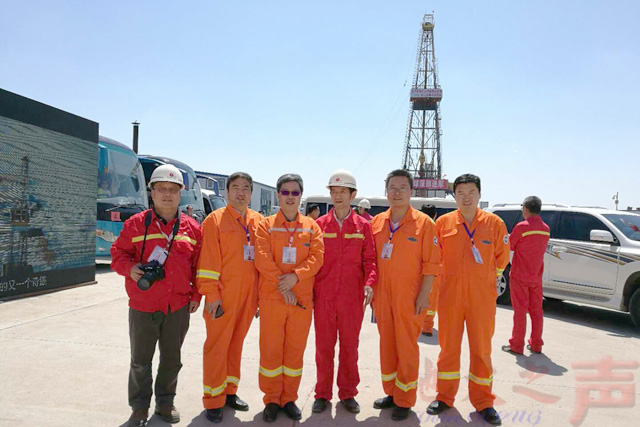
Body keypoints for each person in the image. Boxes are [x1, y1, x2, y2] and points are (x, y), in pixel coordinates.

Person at [111, 164, 202, 427]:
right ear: (152, 192)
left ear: (180, 193)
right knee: (140, 361)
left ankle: (165, 403)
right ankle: (139, 408)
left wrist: (196, 295)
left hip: (178, 305)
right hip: (144, 305)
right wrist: (130, 269)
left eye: (173, 189)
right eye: (161, 188)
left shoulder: (193, 229)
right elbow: (117, 254)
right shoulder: (135, 224)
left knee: (172, 360)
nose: (167, 194)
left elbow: (199, 266)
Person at [427, 174, 509, 426]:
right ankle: (444, 396)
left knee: (481, 350)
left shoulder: (494, 224)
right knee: (448, 349)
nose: (466, 198)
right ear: (454, 196)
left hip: (481, 299)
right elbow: (434, 256)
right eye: (460, 193)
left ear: (479, 194)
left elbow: (502, 258)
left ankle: (483, 401)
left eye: (471, 192)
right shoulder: (443, 223)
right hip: (450, 296)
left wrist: (485, 282)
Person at [371, 169, 440, 421]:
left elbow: (432, 264)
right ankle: (391, 392)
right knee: (387, 345)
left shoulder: (424, 224)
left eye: (402, 188)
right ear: (386, 191)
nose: (397, 192)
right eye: (392, 187)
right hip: (382, 296)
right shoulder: (377, 222)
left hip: (410, 297)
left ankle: (405, 399)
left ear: (411, 191)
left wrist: (424, 295)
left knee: (407, 347)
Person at [254, 174, 324, 422]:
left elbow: (317, 257)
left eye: (295, 192)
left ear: (301, 196)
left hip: (300, 301)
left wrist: (296, 277)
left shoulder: (312, 227)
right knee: (271, 350)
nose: (290, 197)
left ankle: (289, 398)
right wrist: (283, 286)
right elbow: (262, 258)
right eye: (285, 192)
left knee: (294, 351)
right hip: (273, 298)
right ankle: (272, 399)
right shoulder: (265, 225)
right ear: (278, 195)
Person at [196, 172, 264, 423]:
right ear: (227, 192)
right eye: (235, 188)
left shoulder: (258, 221)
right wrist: (211, 295)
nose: (240, 193)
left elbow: (263, 261)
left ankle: (229, 392)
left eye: (246, 188)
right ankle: (213, 399)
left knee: (236, 345)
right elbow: (207, 262)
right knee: (217, 347)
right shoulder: (214, 221)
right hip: (222, 296)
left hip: (249, 296)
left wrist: (259, 297)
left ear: (251, 193)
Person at [311, 170, 377, 414]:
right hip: (324, 297)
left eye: (342, 192)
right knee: (324, 349)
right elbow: (312, 260)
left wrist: (369, 283)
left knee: (350, 349)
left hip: (351, 298)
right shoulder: (319, 225)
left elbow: (370, 260)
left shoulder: (363, 226)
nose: (337, 196)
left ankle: (348, 393)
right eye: (334, 191)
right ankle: (322, 394)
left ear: (353, 194)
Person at [501, 196, 550, 356]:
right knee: (536, 311)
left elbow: (510, 245)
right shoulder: (545, 228)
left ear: (526, 209)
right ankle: (536, 344)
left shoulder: (522, 227)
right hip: (536, 276)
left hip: (519, 275)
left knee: (520, 311)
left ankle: (516, 345)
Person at [420, 204, 439, 337]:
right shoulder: (437, 228)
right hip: (435, 269)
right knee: (431, 299)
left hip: (418, 268)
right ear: (435, 215)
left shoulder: (417, 226)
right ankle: (427, 327)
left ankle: (417, 323)